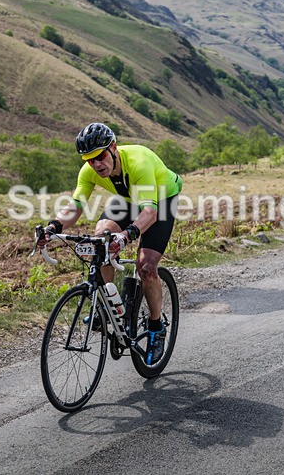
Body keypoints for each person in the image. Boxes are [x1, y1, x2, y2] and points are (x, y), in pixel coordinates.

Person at [37, 122, 183, 364]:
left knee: (146, 267)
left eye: (100, 156)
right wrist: (53, 227)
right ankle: (107, 305)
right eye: (89, 160)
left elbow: (149, 213)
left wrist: (127, 235)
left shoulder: (139, 161)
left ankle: (157, 328)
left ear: (113, 147)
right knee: (100, 239)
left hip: (161, 199)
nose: (96, 164)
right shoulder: (89, 171)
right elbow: (75, 207)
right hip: (127, 198)